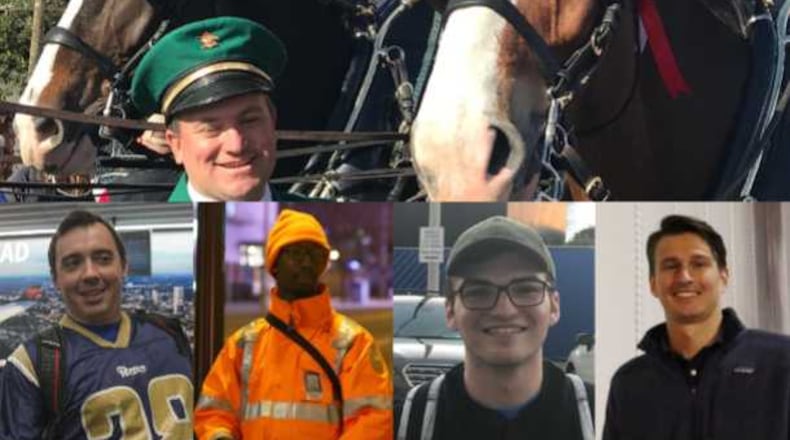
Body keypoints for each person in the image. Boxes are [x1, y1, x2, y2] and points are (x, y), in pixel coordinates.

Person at [194, 209, 392, 439]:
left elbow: (373, 420)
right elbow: (214, 411)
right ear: (275, 263)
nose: (307, 262)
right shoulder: (243, 344)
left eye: (315, 254)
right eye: (296, 253)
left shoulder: (354, 343)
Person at [0, 210, 193, 439]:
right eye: (73, 264)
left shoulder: (169, 334)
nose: (90, 274)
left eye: (103, 259)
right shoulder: (31, 366)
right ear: (55, 279)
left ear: (124, 266)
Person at [396, 216, 594, 440]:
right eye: (479, 292)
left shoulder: (601, 415)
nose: (504, 311)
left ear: (554, 306)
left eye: (526, 289)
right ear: (450, 311)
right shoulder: (405, 422)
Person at [603, 215, 790, 440]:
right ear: (653, 284)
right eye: (670, 266)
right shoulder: (629, 383)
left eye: (699, 264)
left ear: (723, 276)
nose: (684, 276)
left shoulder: (781, 362)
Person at [131, 16, 306, 202]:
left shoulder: (324, 218)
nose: (236, 145)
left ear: (272, 121)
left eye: (249, 121)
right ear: (176, 145)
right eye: (211, 129)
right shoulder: (131, 222)